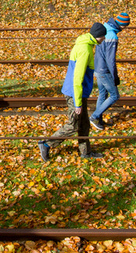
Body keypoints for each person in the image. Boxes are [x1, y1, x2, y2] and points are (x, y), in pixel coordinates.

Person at [38, 23, 106, 161]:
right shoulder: (85, 50)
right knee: (73, 125)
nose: (105, 38)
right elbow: (77, 78)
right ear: (98, 36)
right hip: (74, 93)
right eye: (103, 36)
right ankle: (46, 144)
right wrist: (78, 103)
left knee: (84, 124)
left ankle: (85, 152)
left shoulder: (84, 43)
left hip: (79, 92)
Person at [89, 12, 130, 130]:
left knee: (102, 94)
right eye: (125, 26)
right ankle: (95, 116)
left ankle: (98, 120)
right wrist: (115, 76)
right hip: (104, 70)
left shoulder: (105, 28)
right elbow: (110, 60)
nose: (125, 28)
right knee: (114, 95)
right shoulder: (112, 36)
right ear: (122, 24)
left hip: (97, 68)